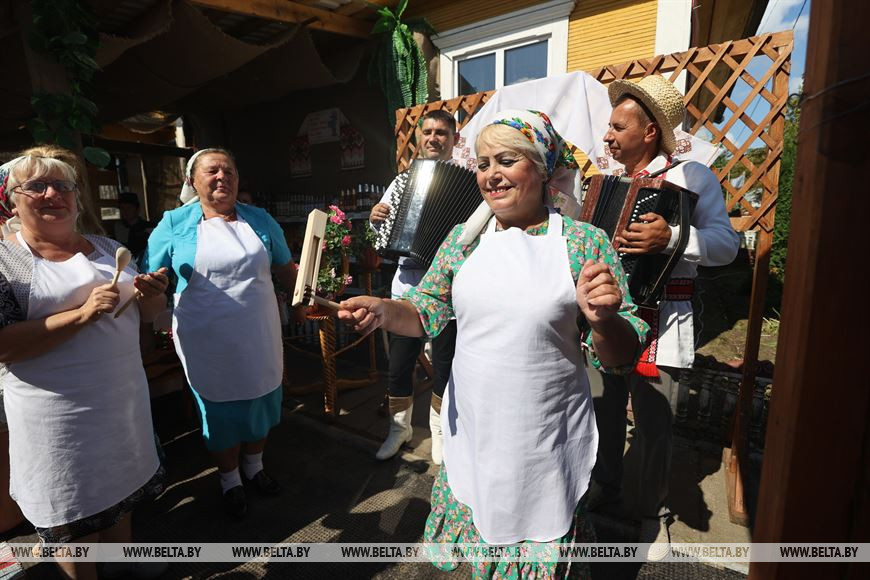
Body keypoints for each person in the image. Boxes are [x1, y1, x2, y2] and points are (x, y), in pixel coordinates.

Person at [341, 110, 649, 577]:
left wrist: (603, 321)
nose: (491, 175)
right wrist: (383, 310)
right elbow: (425, 309)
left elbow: (621, 357)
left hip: (544, 440)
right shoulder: (462, 241)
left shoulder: (584, 243)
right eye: (483, 164)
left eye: (506, 160)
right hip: (475, 433)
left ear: (542, 168)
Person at [588, 75, 741, 559]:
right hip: (606, 319)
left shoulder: (692, 177)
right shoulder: (604, 184)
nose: (607, 137)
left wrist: (672, 237)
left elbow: (727, 246)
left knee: (654, 424)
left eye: (618, 127)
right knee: (603, 411)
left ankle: (649, 513)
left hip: (664, 319)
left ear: (649, 131)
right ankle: (605, 486)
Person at [0, 147, 168, 579]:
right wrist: (80, 314)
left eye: (63, 185)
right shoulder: (5, 260)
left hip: (122, 404)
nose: (52, 194)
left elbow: (147, 317)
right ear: (12, 201)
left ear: (77, 198)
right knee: (76, 517)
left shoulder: (109, 247)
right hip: (59, 423)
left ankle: (121, 570)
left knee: (120, 497)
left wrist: (152, 297)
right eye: (36, 186)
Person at [145, 148, 305, 519]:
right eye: (212, 171)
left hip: (258, 332)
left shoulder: (260, 219)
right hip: (207, 338)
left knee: (261, 398)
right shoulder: (174, 223)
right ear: (192, 181)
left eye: (229, 171)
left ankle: (255, 466)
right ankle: (230, 479)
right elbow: (153, 276)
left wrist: (302, 300)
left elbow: (285, 268)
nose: (222, 177)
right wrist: (152, 287)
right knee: (219, 411)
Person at [369, 109, 460, 462]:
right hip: (407, 285)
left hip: (448, 290)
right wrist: (377, 218)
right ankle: (399, 429)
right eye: (428, 132)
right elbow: (382, 234)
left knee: (445, 364)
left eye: (441, 133)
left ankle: (439, 431)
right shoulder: (401, 182)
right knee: (399, 364)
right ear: (419, 137)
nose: (433, 138)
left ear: (454, 139)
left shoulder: (467, 183)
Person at [112, 191, 153, 261]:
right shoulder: (118, 227)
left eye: (129, 208)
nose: (125, 211)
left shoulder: (148, 227)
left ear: (137, 209)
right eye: (122, 208)